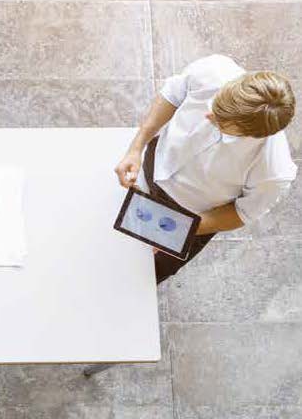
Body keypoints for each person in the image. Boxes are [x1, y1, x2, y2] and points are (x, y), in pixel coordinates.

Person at [114, 54, 296, 282]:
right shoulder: (215, 69)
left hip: (191, 217)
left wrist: (180, 230)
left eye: (220, 121)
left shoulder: (273, 171)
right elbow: (173, 94)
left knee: (139, 278)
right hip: (153, 165)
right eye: (215, 105)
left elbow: (242, 213)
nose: (209, 115)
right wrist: (136, 147)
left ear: (250, 135)